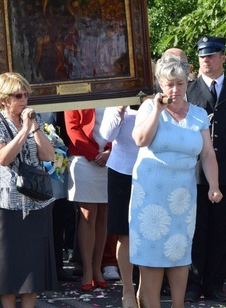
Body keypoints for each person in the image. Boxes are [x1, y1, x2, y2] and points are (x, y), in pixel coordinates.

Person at [131, 54, 222, 308]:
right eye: (169, 83)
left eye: (180, 83)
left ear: (187, 81)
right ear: (160, 83)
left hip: (182, 194)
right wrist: (158, 110)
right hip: (150, 192)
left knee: (179, 253)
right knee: (152, 255)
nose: (175, 89)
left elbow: (207, 153)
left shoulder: (199, 114)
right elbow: (140, 140)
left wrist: (214, 186)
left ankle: (178, 305)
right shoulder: (150, 107)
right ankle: (150, 301)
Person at [0, 72, 57, 308]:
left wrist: (33, 127)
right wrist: (23, 131)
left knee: (32, 270)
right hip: (7, 204)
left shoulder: (34, 120)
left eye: (26, 94)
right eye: (18, 95)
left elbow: (48, 155)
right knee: (7, 271)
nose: (24, 99)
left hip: (36, 203)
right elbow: (2, 157)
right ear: (4, 99)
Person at [184, 36, 226, 303]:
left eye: (211, 55)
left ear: (223, 57)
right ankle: (192, 284)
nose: (206, 61)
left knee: (221, 230)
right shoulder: (188, 91)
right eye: (201, 56)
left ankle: (215, 284)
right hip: (193, 172)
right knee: (196, 230)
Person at [65, 108, 111, 292]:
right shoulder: (78, 90)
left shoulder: (113, 91)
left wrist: (110, 151)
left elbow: (122, 125)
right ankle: (86, 270)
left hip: (110, 159)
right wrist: (93, 154)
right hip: (83, 158)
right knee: (87, 215)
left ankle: (97, 268)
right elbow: (72, 127)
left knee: (103, 216)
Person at [101, 104, 139, 308]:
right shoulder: (117, 103)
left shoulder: (158, 95)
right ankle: (128, 291)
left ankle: (147, 287)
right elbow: (106, 134)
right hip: (122, 170)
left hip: (151, 170)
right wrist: (119, 110)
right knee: (125, 233)